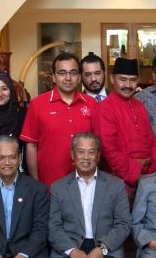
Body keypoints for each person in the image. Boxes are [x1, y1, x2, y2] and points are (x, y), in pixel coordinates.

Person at [20, 52, 98, 188]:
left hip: (86, 184)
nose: (68, 78)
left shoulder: (91, 104)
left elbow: (98, 145)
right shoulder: (37, 104)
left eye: (73, 73)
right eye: (62, 73)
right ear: (53, 77)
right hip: (49, 184)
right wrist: (36, 184)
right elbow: (31, 146)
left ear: (79, 77)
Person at [92, 57, 156, 194]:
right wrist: (136, 175)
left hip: (148, 178)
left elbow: (151, 140)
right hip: (121, 180)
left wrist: (151, 174)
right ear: (112, 79)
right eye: (123, 79)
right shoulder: (104, 108)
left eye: (133, 80)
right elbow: (109, 150)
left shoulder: (139, 105)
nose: (128, 85)